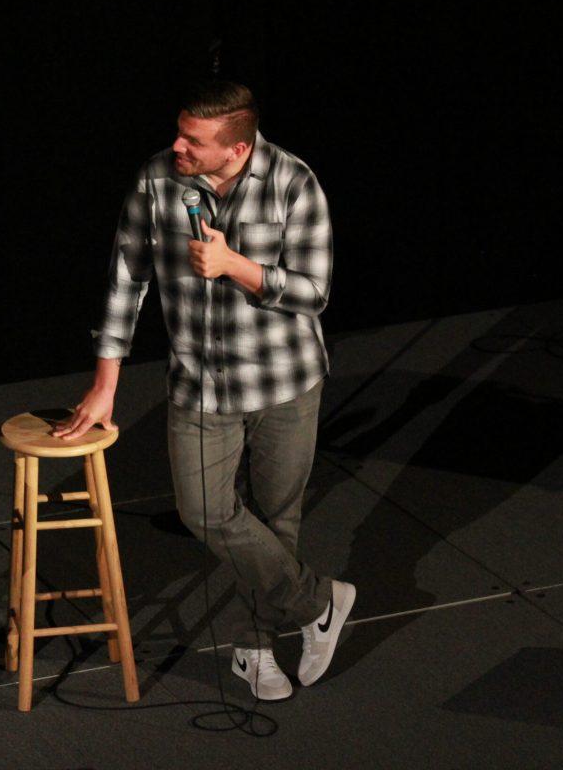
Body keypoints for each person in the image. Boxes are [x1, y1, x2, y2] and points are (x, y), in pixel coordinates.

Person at [54, 80, 356, 701]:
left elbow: (314, 292)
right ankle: (318, 602)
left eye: (192, 140)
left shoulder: (294, 183)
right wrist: (105, 380)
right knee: (204, 511)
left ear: (237, 149)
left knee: (277, 522)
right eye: (179, 132)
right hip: (201, 382)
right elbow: (124, 278)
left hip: (284, 382)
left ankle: (253, 648)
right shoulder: (156, 180)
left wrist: (236, 267)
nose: (177, 146)